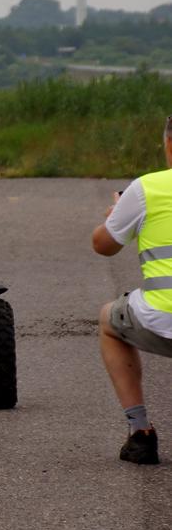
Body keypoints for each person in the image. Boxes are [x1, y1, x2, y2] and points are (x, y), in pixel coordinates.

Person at [91, 116, 172, 465]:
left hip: (160, 318)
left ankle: (140, 432)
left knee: (109, 321)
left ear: (169, 144)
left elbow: (103, 246)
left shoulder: (147, 188)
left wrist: (115, 214)